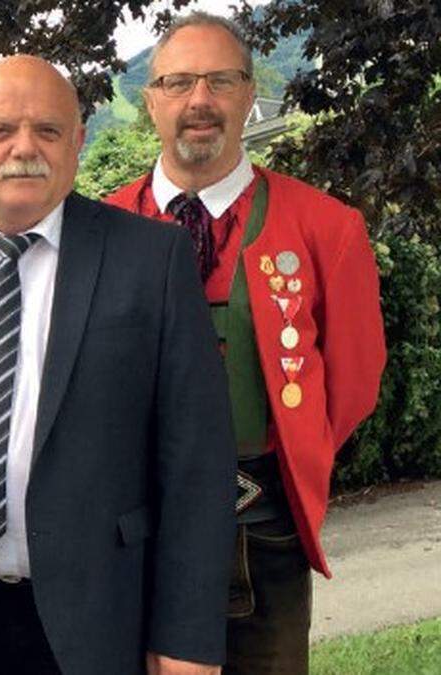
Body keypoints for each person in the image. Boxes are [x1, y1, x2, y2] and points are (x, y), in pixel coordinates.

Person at [0, 54, 237, 675]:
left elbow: (197, 464)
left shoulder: (150, 259)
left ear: (78, 143)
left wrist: (187, 640)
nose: (24, 149)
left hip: (98, 622)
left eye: (47, 130)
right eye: (1, 130)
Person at [104, 12, 386, 674]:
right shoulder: (101, 229)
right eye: (178, 82)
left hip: (265, 532)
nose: (199, 100)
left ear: (249, 91)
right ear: (151, 101)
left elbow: (352, 384)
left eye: (220, 80)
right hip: (130, 535)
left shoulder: (327, 227)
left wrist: (287, 447)